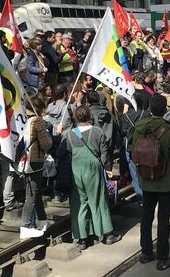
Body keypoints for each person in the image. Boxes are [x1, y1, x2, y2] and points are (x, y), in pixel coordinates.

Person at [132, 94, 170, 271]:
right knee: (163, 220)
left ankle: (146, 252)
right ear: (165, 110)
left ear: (149, 109)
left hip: (146, 181)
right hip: (166, 183)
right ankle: (162, 257)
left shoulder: (139, 129)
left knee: (146, 217)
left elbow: (134, 154)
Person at [61, 105, 122, 250]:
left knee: (79, 204)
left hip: (76, 169)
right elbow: (105, 154)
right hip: (93, 169)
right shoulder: (97, 132)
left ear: (76, 118)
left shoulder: (69, 134)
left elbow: (60, 154)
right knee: (98, 200)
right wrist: (108, 169)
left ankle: (82, 239)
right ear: (90, 117)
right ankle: (107, 234)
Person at [17, 95, 53, 239]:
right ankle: (26, 226)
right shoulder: (38, 121)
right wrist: (54, 134)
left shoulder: (24, 120)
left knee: (35, 191)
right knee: (31, 194)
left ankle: (43, 220)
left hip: (24, 161)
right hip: (34, 161)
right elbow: (46, 144)